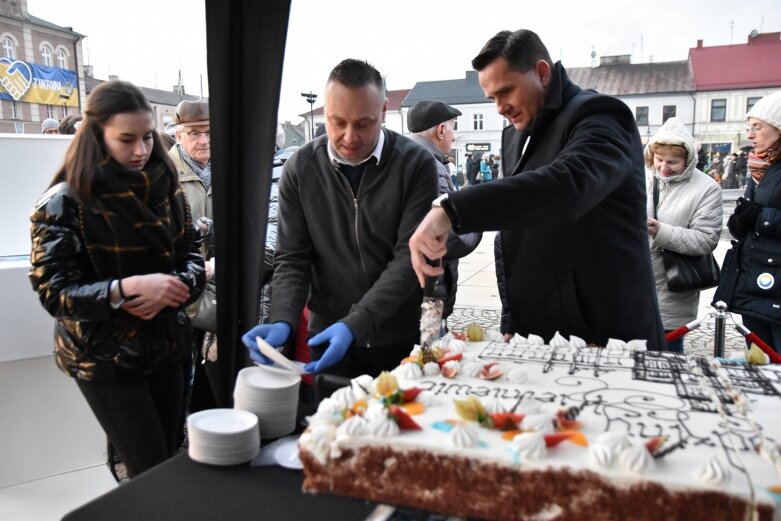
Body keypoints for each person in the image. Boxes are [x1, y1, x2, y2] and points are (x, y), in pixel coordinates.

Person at [409, 29, 665, 349]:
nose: (500, 107)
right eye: (492, 98)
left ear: (542, 73)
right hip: (539, 331)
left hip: (605, 331)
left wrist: (451, 209)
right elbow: (515, 232)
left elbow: (568, 186)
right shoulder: (514, 134)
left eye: (506, 92)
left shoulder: (600, 115)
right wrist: (513, 318)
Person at [28, 80, 205, 478]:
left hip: (167, 345)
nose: (141, 150)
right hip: (106, 358)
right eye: (126, 139)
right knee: (149, 469)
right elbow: (54, 292)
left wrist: (174, 287)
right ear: (97, 135)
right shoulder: (63, 202)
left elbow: (192, 257)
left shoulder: (166, 189)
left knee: (168, 459)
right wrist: (125, 290)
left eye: (146, 137)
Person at [241, 59, 438, 378]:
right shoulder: (301, 168)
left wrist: (355, 323)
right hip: (329, 337)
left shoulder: (415, 164)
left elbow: (407, 259)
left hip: (400, 337)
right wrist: (281, 319)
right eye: (337, 122)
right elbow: (292, 257)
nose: (348, 137)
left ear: (384, 111)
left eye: (363, 123)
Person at [645, 117, 722, 353]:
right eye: (659, 160)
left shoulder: (707, 188)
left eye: (673, 162)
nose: (664, 167)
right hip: (635, 286)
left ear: (688, 161)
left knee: (669, 362)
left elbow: (706, 239)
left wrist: (661, 232)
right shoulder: (641, 178)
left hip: (673, 292)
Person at [715, 90, 781, 352]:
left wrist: (760, 218)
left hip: (774, 284)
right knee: (759, 361)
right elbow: (749, 216)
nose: (750, 134)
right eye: (749, 128)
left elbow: (762, 216)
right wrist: (740, 222)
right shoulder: (760, 166)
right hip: (755, 279)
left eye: (757, 127)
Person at [407, 99, 482, 325]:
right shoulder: (431, 168)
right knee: (431, 353)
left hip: (410, 287)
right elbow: (448, 236)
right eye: (453, 127)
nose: (454, 135)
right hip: (430, 289)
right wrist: (477, 223)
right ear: (441, 130)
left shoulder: (405, 158)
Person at [168, 98, 217, 411]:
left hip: (215, 285)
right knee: (178, 368)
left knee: (210, 367)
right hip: (179, 289)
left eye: (210, 132)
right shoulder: (164, 173)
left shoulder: (224, 166)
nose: (204, 140)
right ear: (179, 136)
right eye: (195, 133)